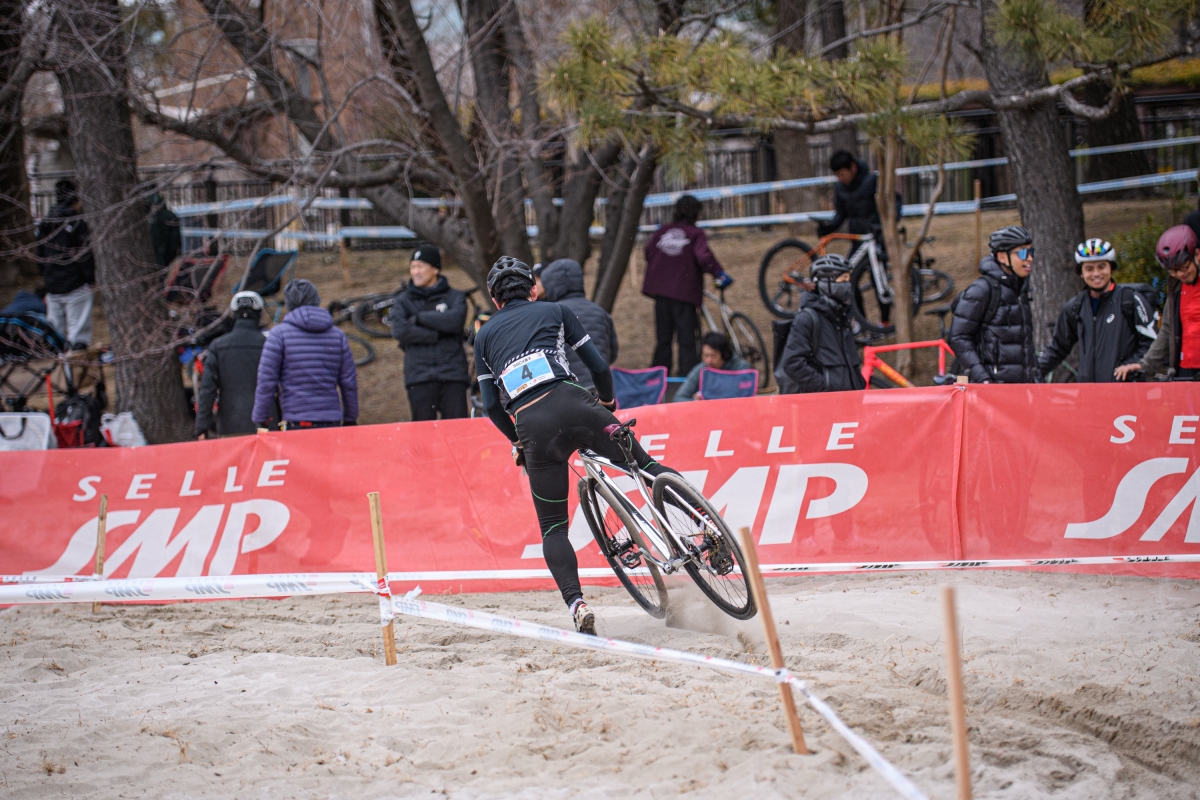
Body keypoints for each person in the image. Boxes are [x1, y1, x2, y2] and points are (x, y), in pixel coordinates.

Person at [474, 257, 674, 635]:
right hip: (575, 403)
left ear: (494, 300)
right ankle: (703, 526)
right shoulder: (556, 310)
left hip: (532, 426)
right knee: (646, 467)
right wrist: (608, 405)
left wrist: (517, 441)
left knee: (553, 529)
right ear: (534, 289)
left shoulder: (483, 336)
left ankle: (576, 603)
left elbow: (490, 406)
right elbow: (598, 367)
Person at [1037, 239, 1156, 383]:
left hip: (1124, 389)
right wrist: (1033, 372)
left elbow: (1152, 344)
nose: (1096, 273)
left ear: (1111, 269)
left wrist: (1132, 365)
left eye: (1101, 267)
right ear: (1081, 273)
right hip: (1088, 392)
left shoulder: (1130, 300)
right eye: (1089, 269)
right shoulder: (1075, 307)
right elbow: (1058, 348)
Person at [642, 195, 733, 376]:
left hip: (661, 293)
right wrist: (719, 273)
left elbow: (648, 251)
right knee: (687, 341)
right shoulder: (695, 234)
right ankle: (687, 377)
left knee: (663, 340)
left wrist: (665, 268)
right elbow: (704, 257)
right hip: (684, 293)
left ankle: (658, 378)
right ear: (697, 213)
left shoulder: (662, 232)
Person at [253, 279, 358, 430]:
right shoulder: (337, 335)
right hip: (331, 420)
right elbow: (349, 382)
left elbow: (266, 381)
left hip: (296, 419)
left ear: (289, 303)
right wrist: (350, 417)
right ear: (316, 299)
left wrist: (260, 418)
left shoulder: (279, 335)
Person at [389, 244, 470, 421]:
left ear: (435, 269)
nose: (416, 272)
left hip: (453, 373)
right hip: (419, 376)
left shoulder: (455, 296)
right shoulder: (402, 301)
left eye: (420, 266)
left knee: (457, 430)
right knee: (423, 433)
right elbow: (400, 330)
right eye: (412, 267)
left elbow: (455, 321)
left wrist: (418, 318)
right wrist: (436, 334)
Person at [949, 225, 1038, 384]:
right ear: (1002, 257)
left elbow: (1025, 346)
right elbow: (959, 337)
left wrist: (1037, 378)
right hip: (991, 389)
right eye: (1023, 253)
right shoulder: (982, 290)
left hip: (1022, 388)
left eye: (1031, 251)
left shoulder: (1021, 290)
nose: (1030, 258)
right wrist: (983, 378)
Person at [1117, 225, 1200, 381]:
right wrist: (1146, 364)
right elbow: (1168, 329)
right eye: (1173, 271)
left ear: (1197, 255)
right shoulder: (1176, 287)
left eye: (1184, 268)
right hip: (1186, 370)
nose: (1180, 274)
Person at [775, 254, 867, 393]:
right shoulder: (807, 319)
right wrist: (824, 388)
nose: (847, 284)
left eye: (848, 279)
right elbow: (792, 363)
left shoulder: (842, 316)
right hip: (826, 402)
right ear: (825, 282)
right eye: (842, 280)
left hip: (852, 400)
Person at [195, 291, 269, 438]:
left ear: (234, 315)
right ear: (259, 314)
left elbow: (208, 390)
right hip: (265, 423)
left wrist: (202, 426)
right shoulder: (269, 344)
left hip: (230, 423)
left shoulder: (217, 346)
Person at [538, 258, 618, 392]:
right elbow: (613, 352)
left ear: (550, 285)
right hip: (602, 390)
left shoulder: (550, 316)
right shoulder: (600, 312)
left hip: (570, 392)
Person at [35, 179, 96, 350]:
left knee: (55, 330)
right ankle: (76, 357)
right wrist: (90, 277)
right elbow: (84, 254)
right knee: (78, 332)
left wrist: (46, 275)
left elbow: (39, 253)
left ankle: (56, 358)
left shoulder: (46, 223)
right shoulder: (76, 223)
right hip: (75, 283)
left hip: (53, 283)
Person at [672, 332, 752, 401]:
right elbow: (679, 397)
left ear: (725, 354)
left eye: (713, 355)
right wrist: (696, 402)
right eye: (705, 356)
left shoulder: (741, 368)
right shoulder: (701, 369)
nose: (708, 360)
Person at [144, 192, 182, 269]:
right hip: (166, 252)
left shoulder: (152, 219)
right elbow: (175, 238)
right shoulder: (169, 216)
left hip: (158, 251)